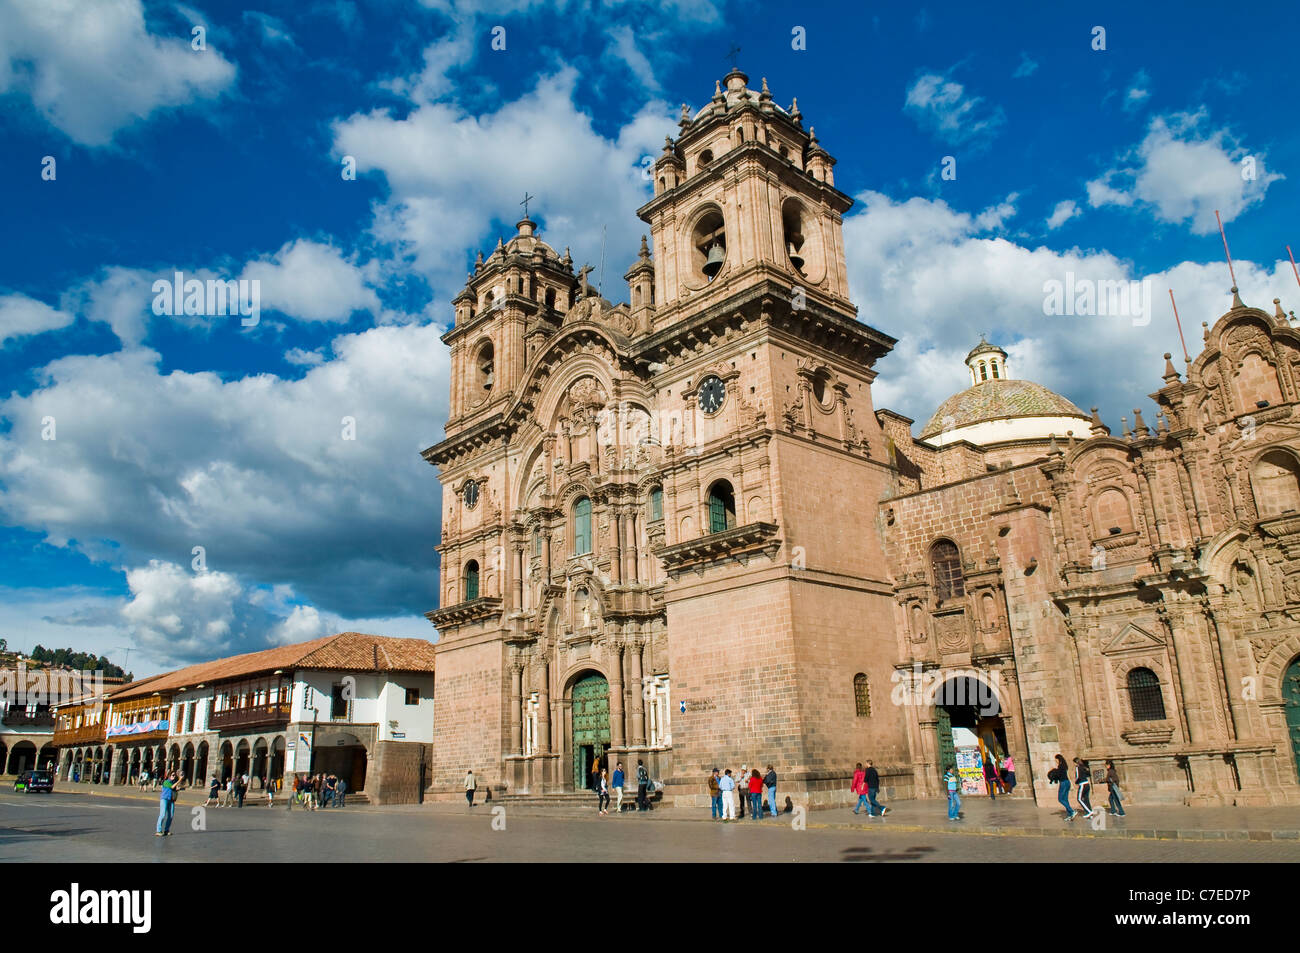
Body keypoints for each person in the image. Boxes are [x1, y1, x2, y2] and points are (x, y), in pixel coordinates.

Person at [1049, 754, 1073, 820]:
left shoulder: (1060, 766)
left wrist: (1054, 771)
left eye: (1055, 760)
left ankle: (1071, 811)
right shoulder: (1065, 766)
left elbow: (1058, 775)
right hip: (1067, 782)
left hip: (1063, 783)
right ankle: (1070, 815)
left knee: (1060, 799)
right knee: (1065, 799)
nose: (1055, 761)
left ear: (1058, 759)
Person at [155, 771, 178, 837]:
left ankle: (166, 830)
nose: (174, 776)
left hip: (171, 800)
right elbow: (172, 787)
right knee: (162, 815)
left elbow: (173, 789)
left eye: (174, 775)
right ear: (169, 776)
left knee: (170, 816)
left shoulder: (172, 782)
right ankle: (158, 831)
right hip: (164, 799)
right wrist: (180, 780)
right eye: (172, 775)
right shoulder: (166, 782)